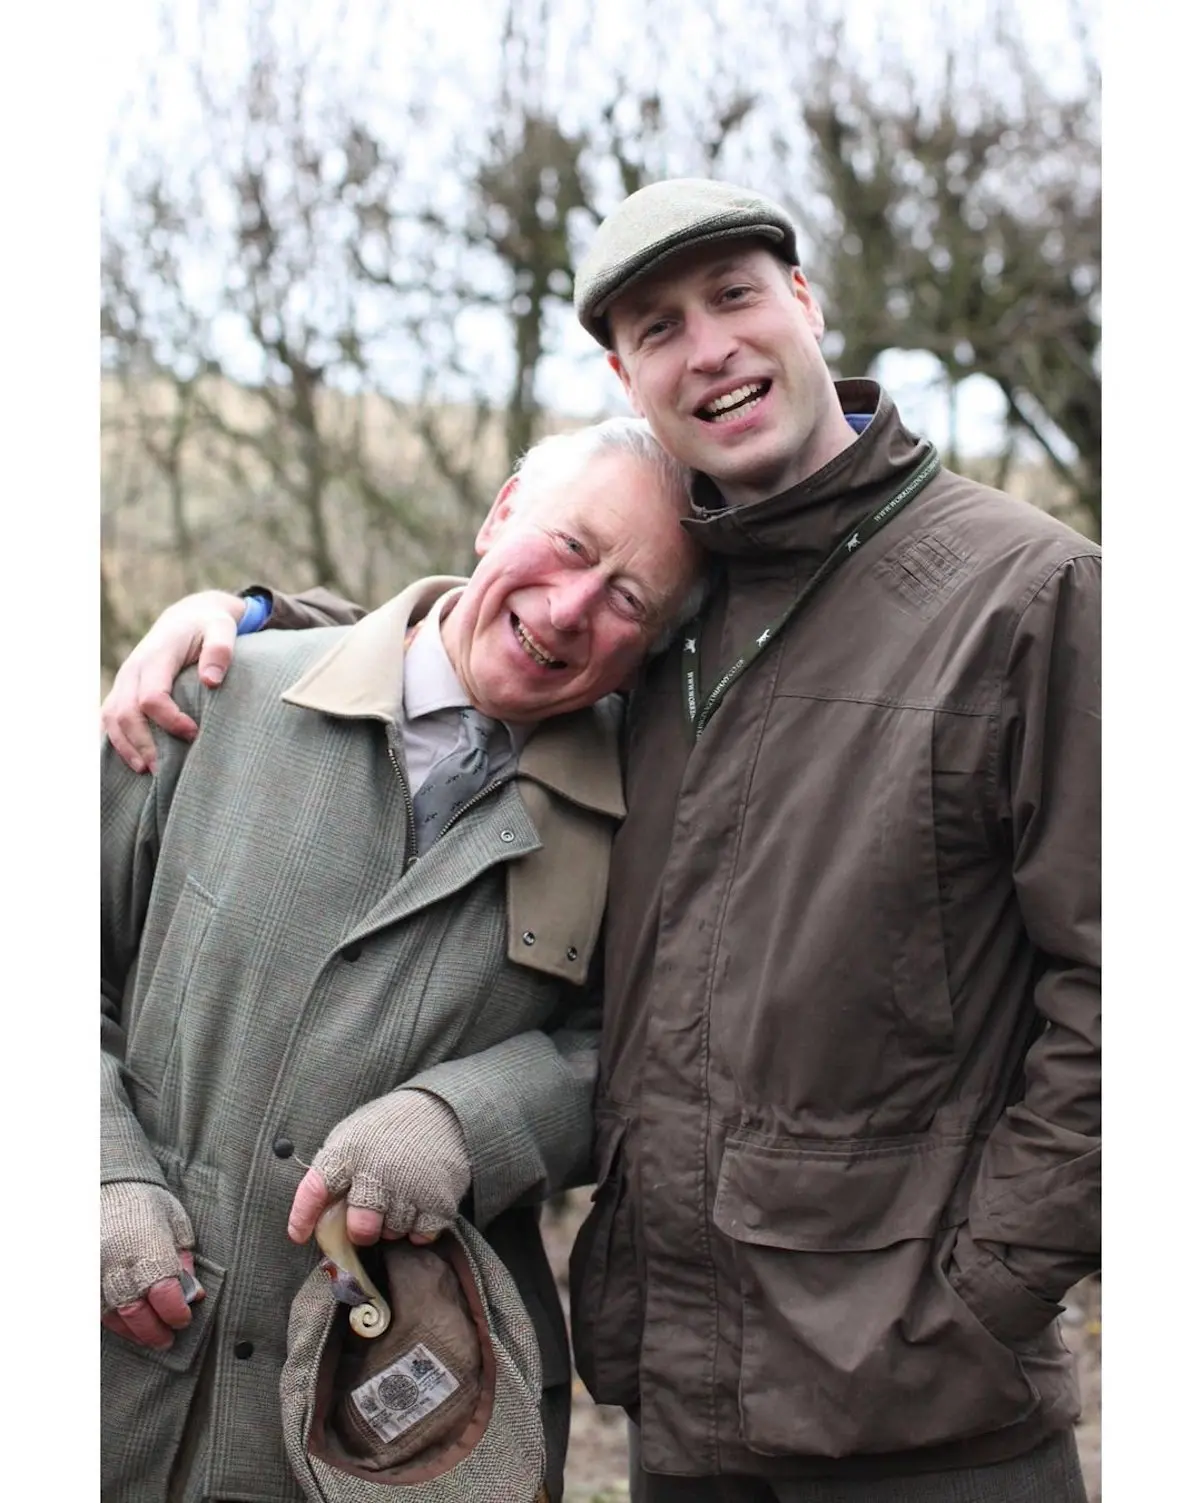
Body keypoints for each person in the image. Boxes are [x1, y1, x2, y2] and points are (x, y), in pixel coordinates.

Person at [104, 179, 1101, 1503]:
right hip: (676, 1402)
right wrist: (237, 615)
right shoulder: (242, 705)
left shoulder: (1024, 594)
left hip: (925, 1403)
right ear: (619, 382)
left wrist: (987, 1280)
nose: (709, 345)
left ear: (806, 303)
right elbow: (461, 657)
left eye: (737, 296)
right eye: (656, 325)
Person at [99, 414, 703, 1503]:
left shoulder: (647, 821)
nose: (570, 610)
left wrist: (470, 1118)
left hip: (403, 1417)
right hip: (113, 1377)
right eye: (571, 546)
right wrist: (91, 1170)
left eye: (628, 600)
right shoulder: (214, 699)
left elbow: (655, 1056)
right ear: (499, 514)